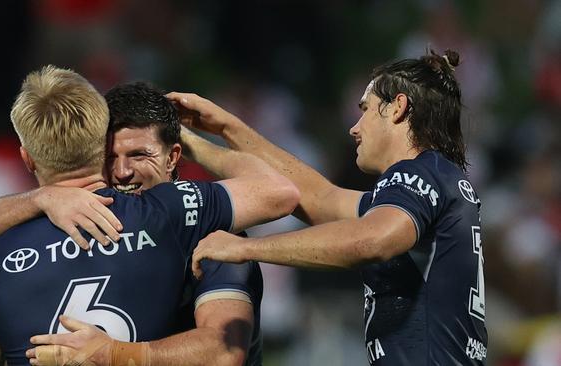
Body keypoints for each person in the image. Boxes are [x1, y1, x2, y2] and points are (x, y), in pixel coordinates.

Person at [0, 66, 299, 366]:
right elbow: (276, 190)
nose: (122, 172)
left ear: (27, 159)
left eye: (139, 155)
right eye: (114, 156)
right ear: (98, 146)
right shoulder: (175, 214)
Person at [168, 49, 488, 365]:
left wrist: (245, 248)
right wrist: (221, 131)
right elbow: (319, 197)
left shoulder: (418, 174)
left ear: (397, 108)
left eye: (365, 109)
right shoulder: (435, 179)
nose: (355, 127)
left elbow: (370, 241)